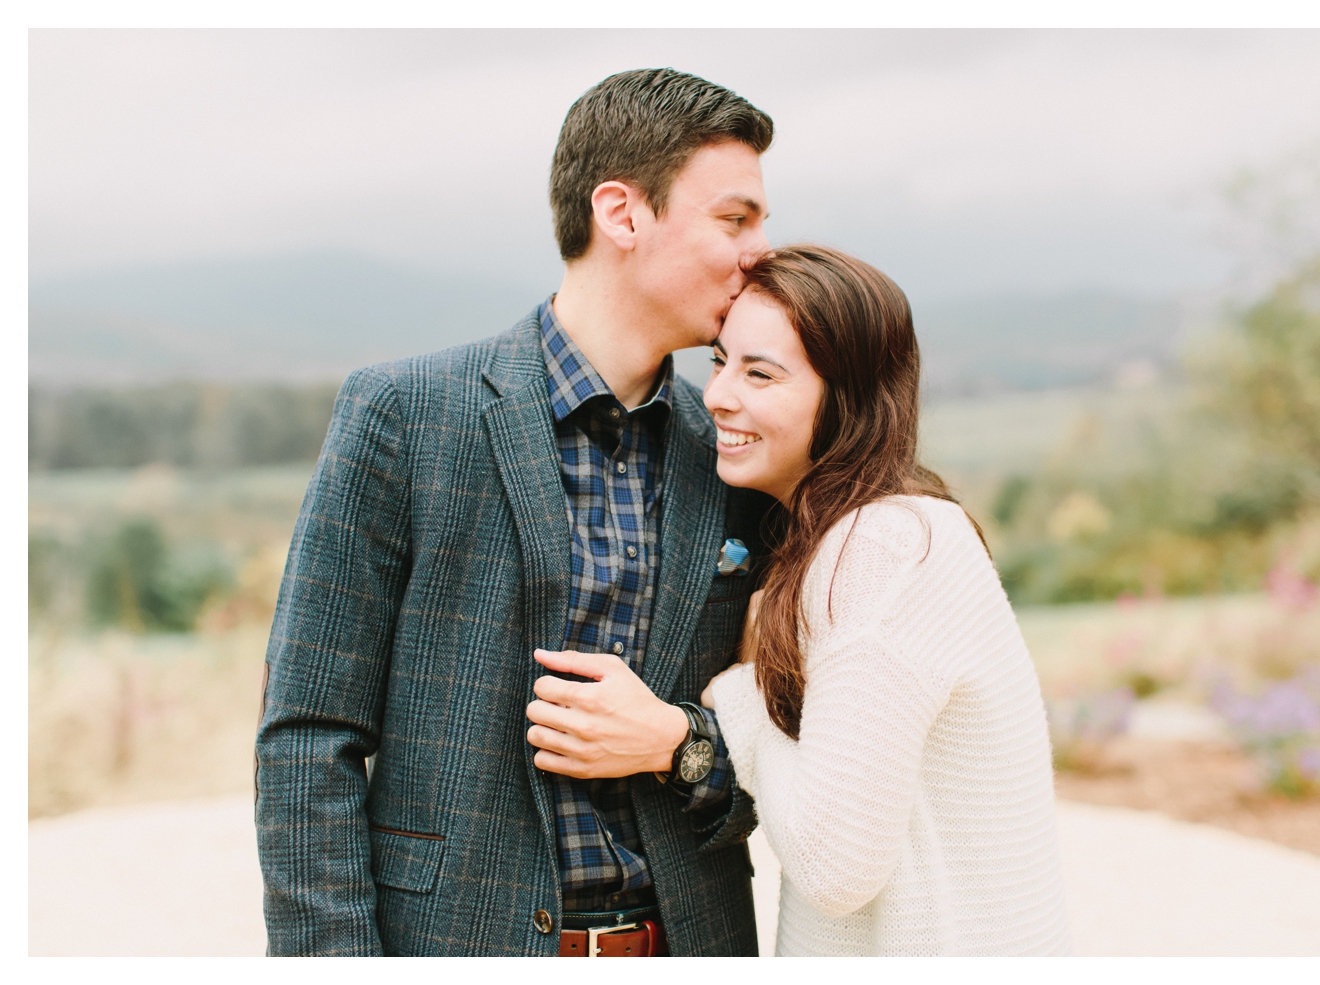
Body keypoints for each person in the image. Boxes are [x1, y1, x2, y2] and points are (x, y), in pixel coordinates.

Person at [255, 68, 777, 957]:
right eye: (736, 219)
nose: (760, 251)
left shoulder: (737, 452)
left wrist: (679, 742)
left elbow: (785, 747)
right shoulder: (404, 413)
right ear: (622, 213)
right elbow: (311, 734)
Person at [700, 245, 1073, 956]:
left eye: (760, 372)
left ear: (848, 396)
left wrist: (741, 698)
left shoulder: (880, 545)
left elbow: (836, 866)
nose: (718, 394)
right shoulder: (887, 527)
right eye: (719, 361)